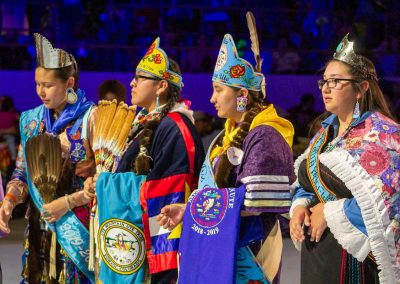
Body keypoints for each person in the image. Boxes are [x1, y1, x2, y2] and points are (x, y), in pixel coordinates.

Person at [157, 34, 295, 284]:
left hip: (251, 247)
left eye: (218, 90)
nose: (212, 99)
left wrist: (193, 209)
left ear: (242, 94)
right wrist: (189, 211)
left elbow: (255, 201)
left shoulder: (266, 135)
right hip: (222, 243)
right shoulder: (226, 135)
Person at [84, 37, 204, 283]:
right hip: (137, 240)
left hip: (159, 250)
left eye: (140, 78)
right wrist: (99, 182)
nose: (132, 83)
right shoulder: (143, 124)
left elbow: (169, 192)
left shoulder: (175, 127)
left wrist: (107, 185)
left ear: (161, 86)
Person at [289, 34, 400, 283]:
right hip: (317, 256)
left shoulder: (384, 134)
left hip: (356, 261)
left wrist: (330, 212)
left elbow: (388, 201)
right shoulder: (323, 132)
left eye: (336, 81)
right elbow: (308, 183)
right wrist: (300, 207)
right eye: (324, 81)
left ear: (361, 89)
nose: (326, 88)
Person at [0, 33, 96, 283]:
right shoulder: (30, 120)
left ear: (69, 83)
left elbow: (104, 177)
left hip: (78, 226)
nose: (40, 91)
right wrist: (9, 202)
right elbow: (21, 172)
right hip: (39, 227)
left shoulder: (91, 119)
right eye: (37, 83)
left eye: (48, 85)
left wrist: (69, 201)